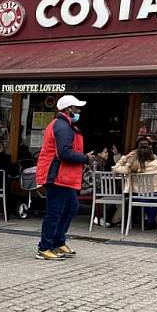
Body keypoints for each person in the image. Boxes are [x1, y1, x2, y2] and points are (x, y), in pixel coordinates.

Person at [35, 94, 93, 260]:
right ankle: (44, 247)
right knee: (54, 213)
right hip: (57, 176)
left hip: (64, 176)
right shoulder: (62, 127)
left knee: (70, 209)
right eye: (76, 108)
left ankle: (57, 242)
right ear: (68, 109)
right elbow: (64, 153)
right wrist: (86, 158)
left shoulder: (64, 125)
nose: (79, 111)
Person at [114, 145, 157, 227]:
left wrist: (126, 157)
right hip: (156, 196)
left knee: (147, 196)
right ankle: (150, 219)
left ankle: (149, 219)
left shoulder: (132, 167)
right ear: (151, 154)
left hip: (137, 197)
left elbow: (116, 168)